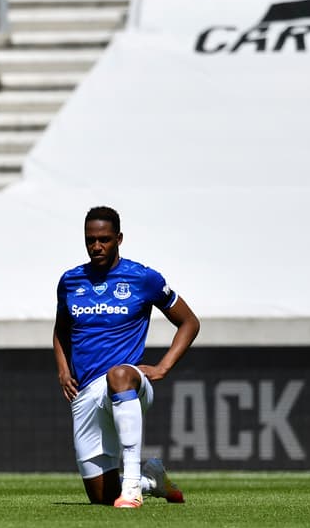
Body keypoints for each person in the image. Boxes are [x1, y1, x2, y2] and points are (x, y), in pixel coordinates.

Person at [52, 206, 200, 508]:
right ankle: (151, 480)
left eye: (104, 239)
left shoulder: (143, 278)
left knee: (118, 373)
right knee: (101, 497)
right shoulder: (70, 281)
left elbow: (189, 322)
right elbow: (60, 331)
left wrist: (162, 367)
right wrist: (63, 371)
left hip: (127, 385)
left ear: (119, 238)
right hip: (84, 392)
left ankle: (131, 484)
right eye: (90, 240)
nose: (96, 246)